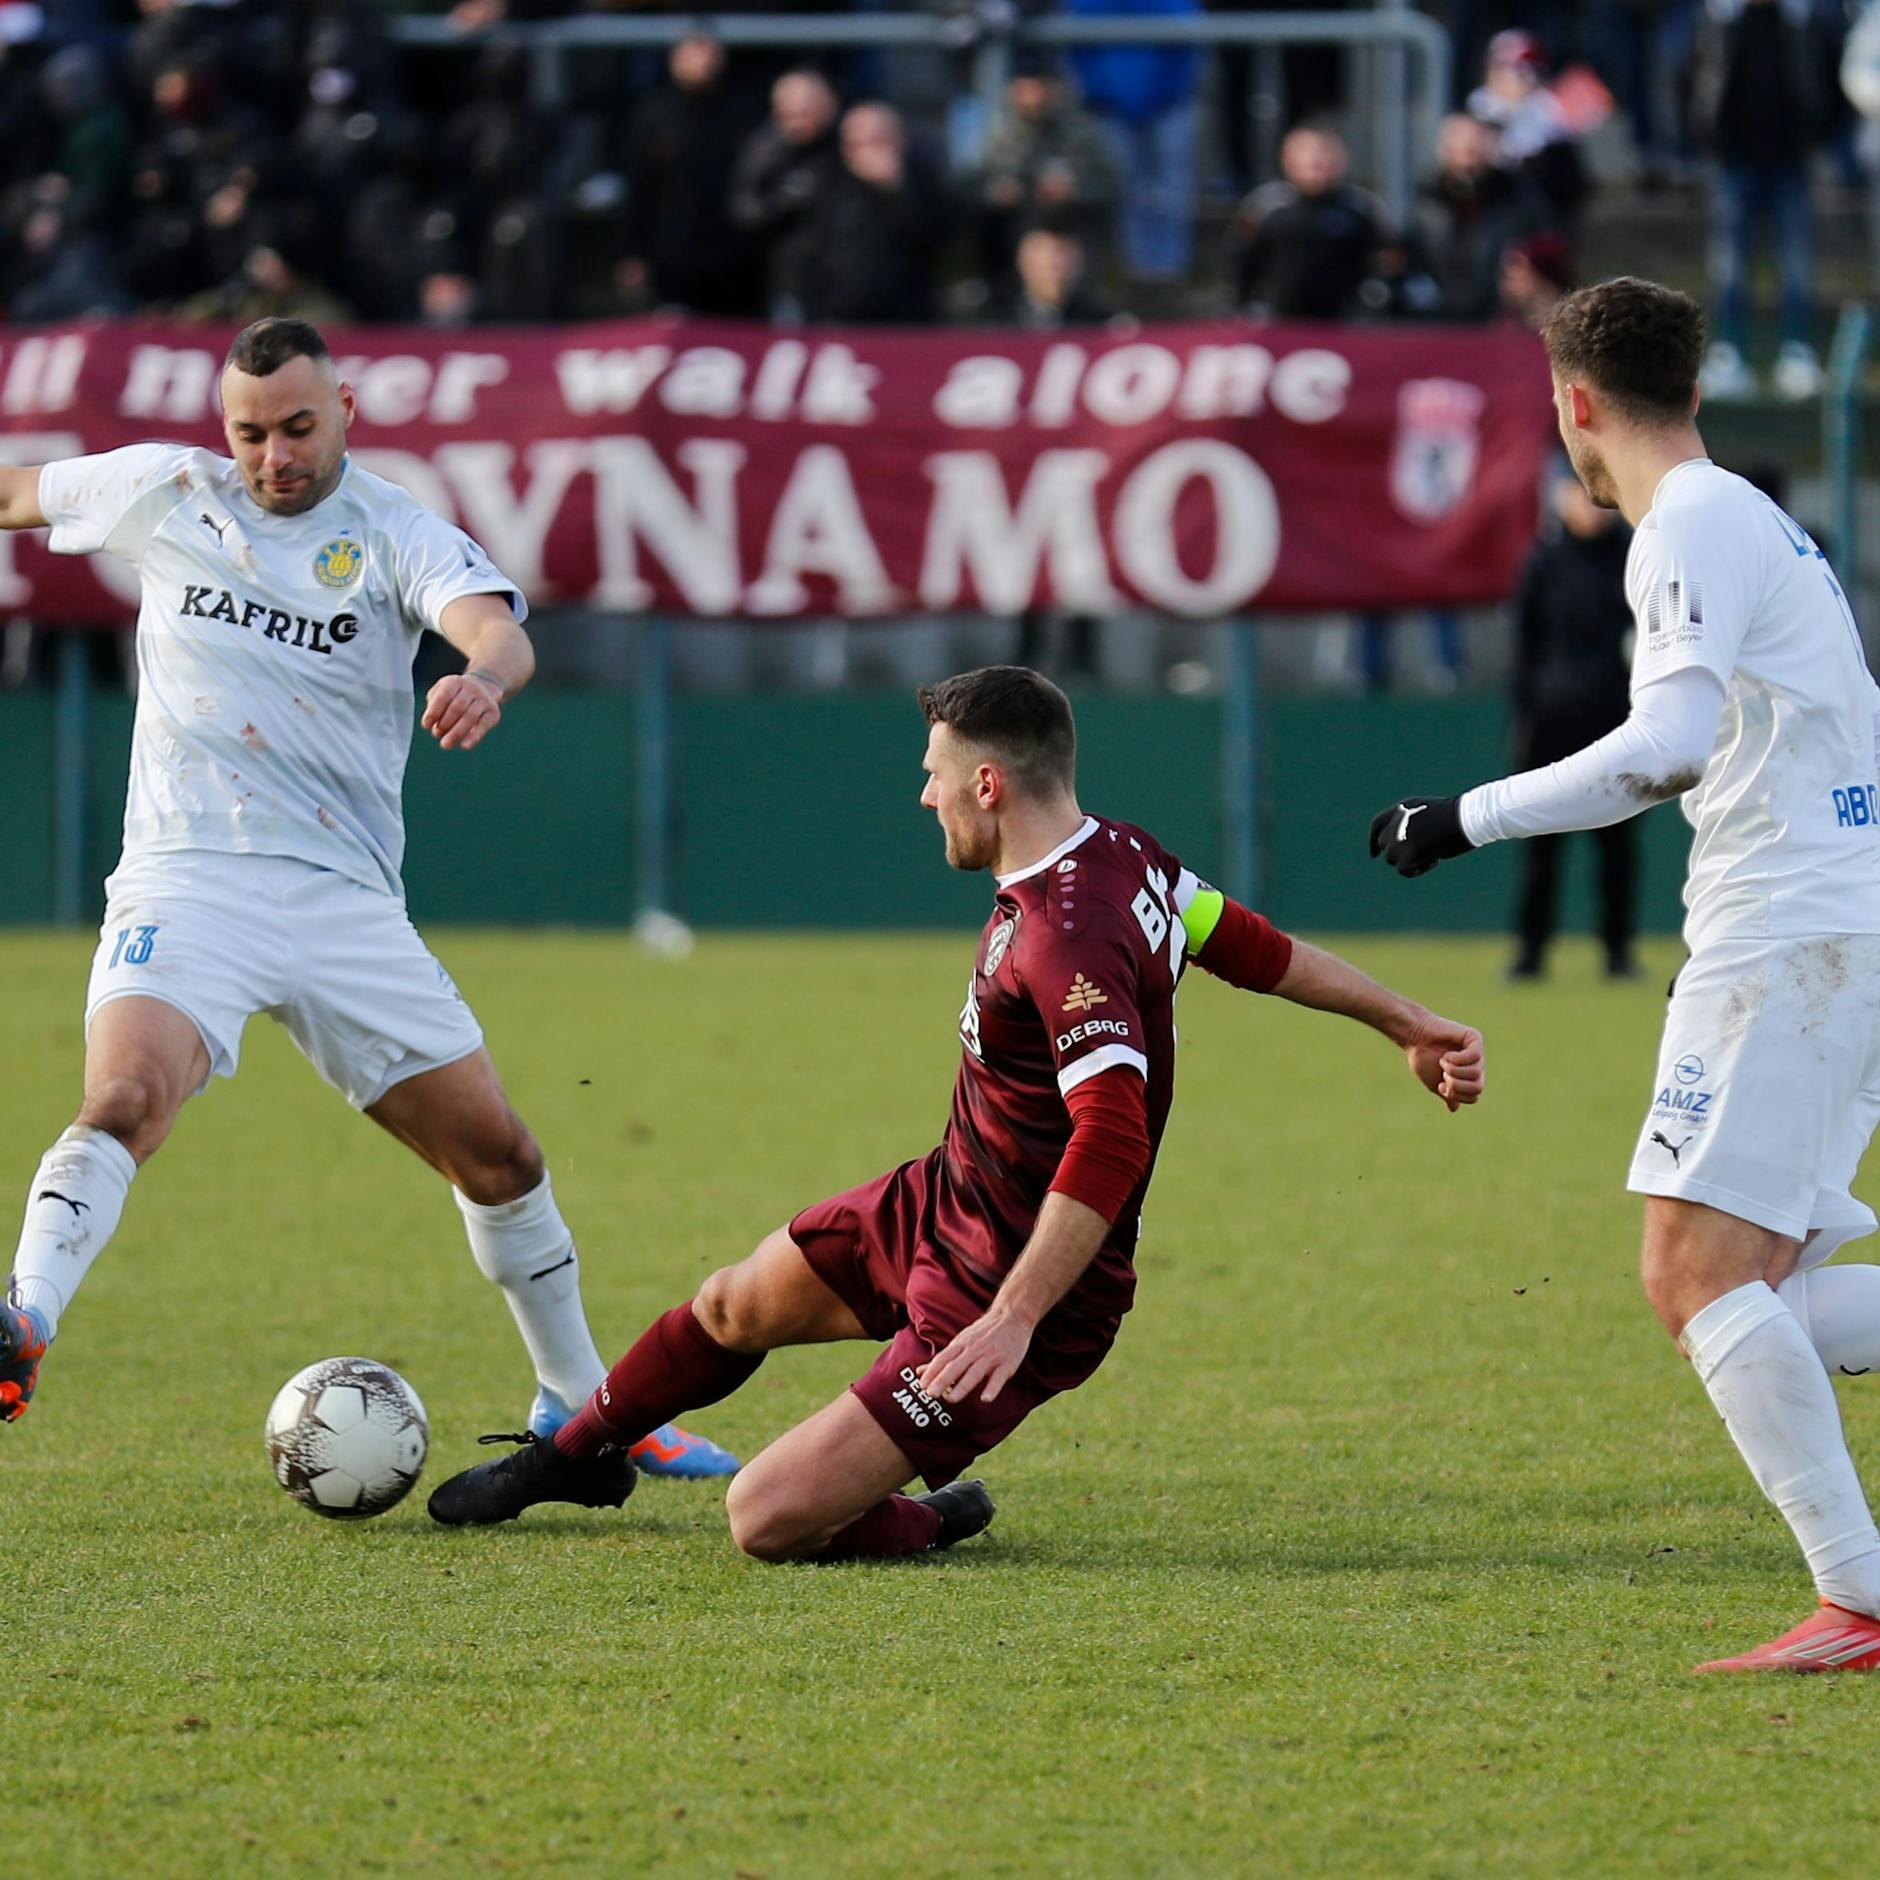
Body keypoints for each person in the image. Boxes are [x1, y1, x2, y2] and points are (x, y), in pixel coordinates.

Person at [428, 666, 1486, 1553]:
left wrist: (1013, 1317)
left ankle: (927, 1522)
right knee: (729, 1303)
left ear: (986, 781)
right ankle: (565, 1461)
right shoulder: (1126, 853)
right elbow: (1249, 946)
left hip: (1021, 1286)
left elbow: (1110, 1132)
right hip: (943, 1201)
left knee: (762, 1517)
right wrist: (1405, 1019)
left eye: (932, 775)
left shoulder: (1065, 935)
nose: (920, 795)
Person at [0, 318, 736, 1482]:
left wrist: (483, 679)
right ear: (222, 428)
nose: (274, 456)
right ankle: (24, 1316)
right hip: (187, 876)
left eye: (297, 427)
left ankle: (578, 1405)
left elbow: (494, 626)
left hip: (343, 899)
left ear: (346, 410)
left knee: (498, 1157)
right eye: (250, 433)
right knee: (127, 1093)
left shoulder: (393, 530)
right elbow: (17, 490)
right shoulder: (163, 488)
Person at [1371, 275, 1880, 1672]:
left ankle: (1862, 1602)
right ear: (1696, 389)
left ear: (1575, 404)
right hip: (1819, 924)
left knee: (1694, 1277)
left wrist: (1462, 816)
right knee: (1756, 1286)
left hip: (1793, 930)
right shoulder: (1756, 523)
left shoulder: (1691, 525)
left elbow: (1664, 747)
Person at [1504, 465, 1639, 980]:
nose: (1586, 506)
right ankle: (1531, 953)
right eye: (1575, 494)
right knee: (1542, 847)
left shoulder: (1634, 557)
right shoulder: (1544, 564)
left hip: (1617, 722)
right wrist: (1523, 720)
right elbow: (1524, 651)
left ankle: (1617, 954)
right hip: (1552, 726)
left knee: (1617, 849)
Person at [1227, 124, 1384, 322]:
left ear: (1342, 158)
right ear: (1286, 158)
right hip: (1278, 324)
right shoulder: (1265, 205)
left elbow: (1383, 264)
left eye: (1325, 151)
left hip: (1344, 325)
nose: (1316, 159)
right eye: (1306, 151)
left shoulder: (1361, 208)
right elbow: (1241, 264)